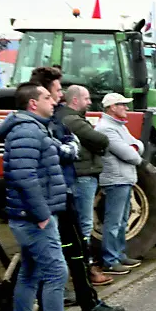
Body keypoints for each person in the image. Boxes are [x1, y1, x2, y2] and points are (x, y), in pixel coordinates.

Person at [0, 83, 96, 311]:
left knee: (31, 273)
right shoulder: (27, 131)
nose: (53, 101)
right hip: (34, 218)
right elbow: (23, 177)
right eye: (46, 97)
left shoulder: (33, 128)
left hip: (33, 216)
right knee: (56, 272)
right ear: (32, 103)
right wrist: (41, 215)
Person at [30, 67, 115, 311]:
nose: (60, 96)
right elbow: (65, 151)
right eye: (56, 91)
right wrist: (68, 148)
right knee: (56, 258)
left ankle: (88, 303)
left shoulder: (56, 120)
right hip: (55, 197)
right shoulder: (42, 125)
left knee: (76, 249)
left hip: (62, 191)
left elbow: (71, 148)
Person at [57, 85, 112, 287]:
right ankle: (86, 268)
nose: (90, 102)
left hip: (84, 175)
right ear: (75, 100)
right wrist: (97, 143)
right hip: (83, 177)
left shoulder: (71, 118)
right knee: (84, 224)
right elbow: (100, 139)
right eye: (86, 98)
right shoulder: (72, 120)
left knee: (81, 224)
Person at [95, 93, 143, 285]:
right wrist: (135, 153)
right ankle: (110, 260)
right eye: (123, 105)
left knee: (122, 220)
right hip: (115, 179)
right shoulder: (106, 129)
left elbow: (137, 145)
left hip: (124, 178)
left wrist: (134, 149)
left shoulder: (119, 127)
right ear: (112, 107)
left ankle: (120, 254)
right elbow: (129, 154)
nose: (126, 108)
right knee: (113, 221)